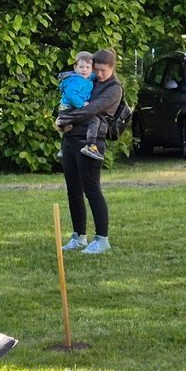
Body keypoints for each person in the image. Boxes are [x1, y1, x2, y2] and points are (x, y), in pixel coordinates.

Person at [57, 48, 123, 254]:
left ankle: (102, 238)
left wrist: (65, 118)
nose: (99, 74)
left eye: (103, 70)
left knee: (91, 189)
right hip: (70, 139)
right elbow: (71, 96)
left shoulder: (114, 89)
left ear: (112, 68)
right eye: (97, 70)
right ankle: (79, 236)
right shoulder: (89, 79)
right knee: (73, 190)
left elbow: (92, 109)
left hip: (92, 142)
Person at [55, 51, 94, 158]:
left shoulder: (86, 78)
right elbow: (71, 95)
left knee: (69, 128)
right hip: (68, 108)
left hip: (71, 107)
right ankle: (64, 149)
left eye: (87, 67)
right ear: (75, 68)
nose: (84, 70)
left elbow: (93, 76)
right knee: (69, 127)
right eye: (81, 67)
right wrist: (82, 104)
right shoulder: (75, 80)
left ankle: (63, 149)